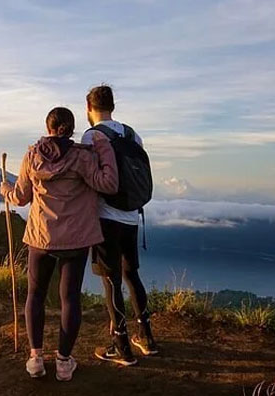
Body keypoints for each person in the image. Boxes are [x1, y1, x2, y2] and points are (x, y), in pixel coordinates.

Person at [0, 107, 119, 382]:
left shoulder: (33, 156)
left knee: (36, 295)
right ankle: (64, 362)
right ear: (72, 128)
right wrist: (103, 147)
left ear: (48, 127)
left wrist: (5, 190)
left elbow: (20, 197)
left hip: (41, 239)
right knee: (70, 300)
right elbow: (109, 184)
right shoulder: (83, 157)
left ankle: (35, 359)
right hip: (76, 241)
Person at [81, 85, 159, 367]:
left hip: (106, 217)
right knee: (131, 274)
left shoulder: (92, 135)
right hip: (132, 215)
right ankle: (147, 338)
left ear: (89, 109)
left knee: (110, 279)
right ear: (113, 106)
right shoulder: (131, 134)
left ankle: (121, 344)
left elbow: (89, 175)